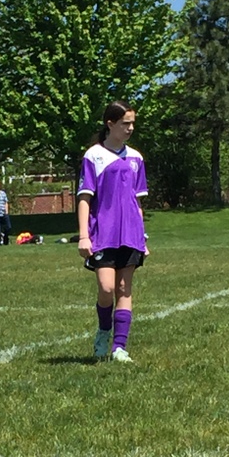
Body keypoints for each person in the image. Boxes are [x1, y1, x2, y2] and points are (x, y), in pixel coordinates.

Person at [77, 100, 149, 363]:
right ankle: (103, 331)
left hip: (130, 234)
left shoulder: (136, 158)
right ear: (110, 124)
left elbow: (137, 202)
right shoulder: (94, 156)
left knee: (123, 288)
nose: (130, 128)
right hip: (103, 234)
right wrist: (84, 235)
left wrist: (142, 236)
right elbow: (84, 198)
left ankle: (119, 347)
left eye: (132, 123)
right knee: (106, 288)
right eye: (125, 123)